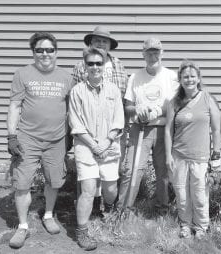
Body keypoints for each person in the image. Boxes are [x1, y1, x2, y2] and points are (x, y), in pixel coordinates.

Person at [7, 32, 72, 249]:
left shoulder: (66, 77)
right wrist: (11, 135)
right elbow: (15, 106)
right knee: (22, 183)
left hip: (56, 139)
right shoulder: (22, 74)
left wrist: (71, 136)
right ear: (33, 52)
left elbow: (72, 109)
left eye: (49, 50)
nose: (45, 54)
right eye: (40, 50)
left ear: (56, 52)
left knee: (54, 181)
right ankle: (23, 226)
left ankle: (49, 215)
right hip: (28, 139)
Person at [69, 47, 124, 250]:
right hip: (85, 147)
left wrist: (106, 143)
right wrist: (93, 145)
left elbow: (119, 121)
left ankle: (107, 209)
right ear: (85, 66)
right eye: (90, 63)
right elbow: (75, 123)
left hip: (109, 146)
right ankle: (82, 232)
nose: (94, 67)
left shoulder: (113, 90)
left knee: (110, 190)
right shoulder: (77, 92)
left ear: (104, 66)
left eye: (98, 63)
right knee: (88, 190)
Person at [117, 37, 179, 212]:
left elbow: (177, 105)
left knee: (163, 170)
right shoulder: (136, 77)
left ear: (162, 53)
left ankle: (163, 207)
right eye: (149, 52)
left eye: (156, 52)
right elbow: (127, 106)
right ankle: (123, 209)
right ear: (143, 54)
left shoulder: (171, 77)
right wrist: (137, 109)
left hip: (163, 130)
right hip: (140, 129)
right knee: (132, 169)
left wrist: (160, 111)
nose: (153, 56)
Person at [71, 26, 128, 215]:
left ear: (109, 45)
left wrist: (110, 137)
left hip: (112, 127)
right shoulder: (81, 65)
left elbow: (124, 94)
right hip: (87, 127)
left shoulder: (118, 64)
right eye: (97, 41)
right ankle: (93, 207)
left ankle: (108, 203)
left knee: (110, 176)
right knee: (89, 178)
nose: (101, 44)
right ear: (91, 43)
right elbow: (76, 95)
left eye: (105, 41)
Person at [164, 60, 221, 239]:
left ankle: (201, 227)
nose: (189, 79)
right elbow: (167, 130)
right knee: (181, 194)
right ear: (180, 79)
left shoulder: (207, 98)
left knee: (200, 194)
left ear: (198, 78)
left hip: (201, 157)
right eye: (185, 76)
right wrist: (168, 155)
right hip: (179, 156)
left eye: (192, 76)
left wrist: (216, 155)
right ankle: (185, 225)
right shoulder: (175, 102)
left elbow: (217, 129)